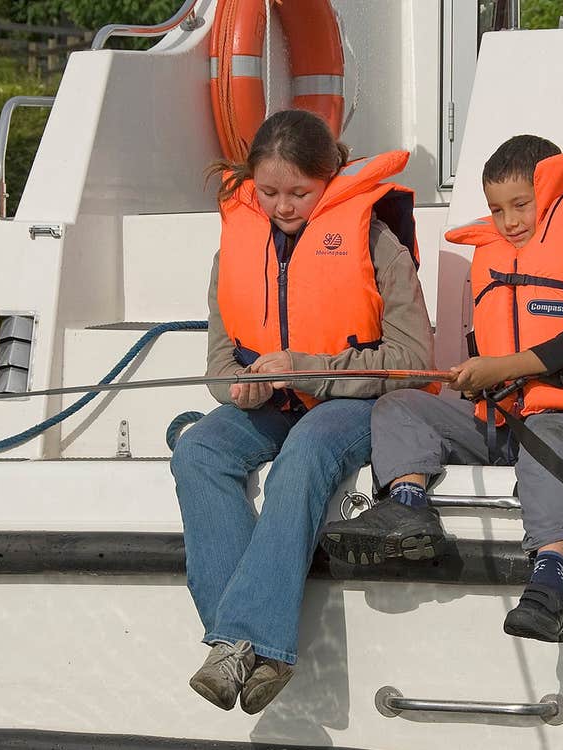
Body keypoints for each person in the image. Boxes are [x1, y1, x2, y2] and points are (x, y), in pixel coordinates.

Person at [318, 135, 563, 643]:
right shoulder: (493, 265)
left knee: (547, 436)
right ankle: (406, 508)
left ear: (555, 198)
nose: (510, 220)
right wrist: (477, 380)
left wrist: (503, 367)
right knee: (401, 405)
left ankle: (547, 583)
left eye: (522, 205)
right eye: (497, 209)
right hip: (497, 423)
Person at [170, 109, 433, 713]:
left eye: (299, 193)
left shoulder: (376, 242)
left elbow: (415, 360)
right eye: (268, 193)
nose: (283, 207)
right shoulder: (235, 248)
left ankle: (250, 642)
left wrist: (309, 369)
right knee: (200, 447)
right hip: (271, 404)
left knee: (308, 446)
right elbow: (218, 360)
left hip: (355, 406)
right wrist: (237, 388)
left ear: (332, 177)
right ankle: (242, 646)